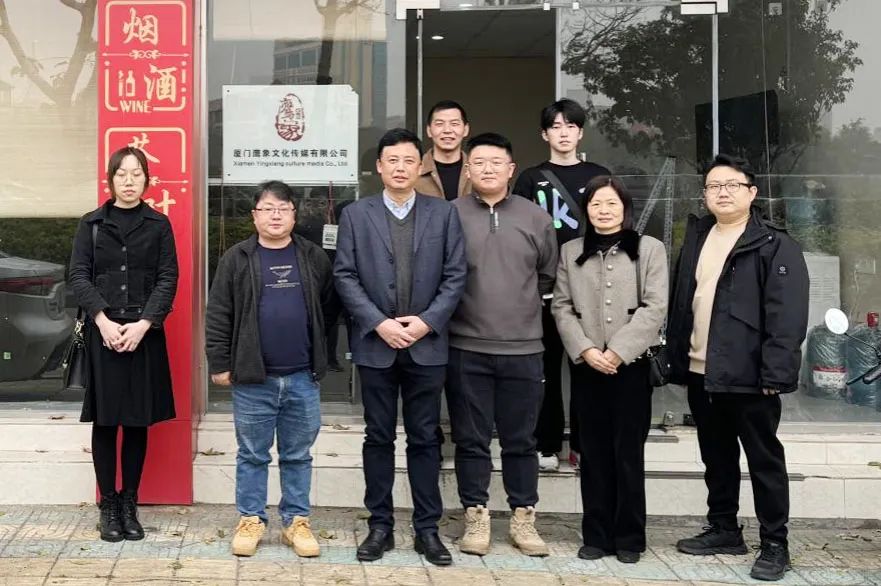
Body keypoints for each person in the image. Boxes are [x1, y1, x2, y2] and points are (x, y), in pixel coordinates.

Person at [667, 154, 809, 581]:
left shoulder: (773, 243)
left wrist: (776, 373)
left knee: (764, 460)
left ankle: (775, 543)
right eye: (714, 186)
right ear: (705, 195)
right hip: (702, 371)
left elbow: (787, 314)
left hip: (751, 376)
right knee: (716, 456)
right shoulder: (698, 236)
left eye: (732, 185)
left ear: (752, 192)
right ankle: (724, 528)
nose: (722, 192)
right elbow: (683, 301)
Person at [334, 128, 467, 566]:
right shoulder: (356, 214)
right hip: (377, 345)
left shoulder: (443, 214)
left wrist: (427, 322)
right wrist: (379, 323)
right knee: (378, 436)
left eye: (409, 160)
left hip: (427, 346)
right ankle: (380, 526)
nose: (400, 168)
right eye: (392, 160)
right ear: (379, 166)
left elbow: (456, 275)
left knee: (425, 437)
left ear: (419, 166)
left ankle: (427, 529)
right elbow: (345, 276)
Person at [205, 180, 338, 558]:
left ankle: (296, 521)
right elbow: (219, 313)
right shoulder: (237, 258)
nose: (275, 215)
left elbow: (329, 309)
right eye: (267, 208)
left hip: (302, 376)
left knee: (298, 455)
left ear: (294, 215)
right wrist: (220, 362)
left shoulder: (313, 257)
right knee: (252, 454)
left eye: (283, 208)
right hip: (253, 378)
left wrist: (322, 355)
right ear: (254, 216)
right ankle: (251, 519)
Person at [446, 133, 557, 557]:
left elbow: (546, 276)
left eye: (496, 162)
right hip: (465, 346)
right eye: (479, 162)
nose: (487, 169)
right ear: (467, 169)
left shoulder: (535, 218)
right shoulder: (450, 214)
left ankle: (523, 517)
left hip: (524, 349)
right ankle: (475, 516)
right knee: (470, 439)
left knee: (521, 440)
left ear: (511, 169)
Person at [551, 175, 667, 564]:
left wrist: (618, 351)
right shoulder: (571, 251)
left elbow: (655, 306)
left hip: (630, 366)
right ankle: (596, 535)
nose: (604, 211)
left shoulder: (649, 249)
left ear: (625, 208)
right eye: (596, 204)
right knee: (593, 452)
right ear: (587, 210)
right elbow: (561, 306)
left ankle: (630, 538)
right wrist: (585, 349)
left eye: (612, 203)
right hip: (587, 366)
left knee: (627, 453)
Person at [68, 146, 178, 543]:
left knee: (135, 420)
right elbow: (78, 275)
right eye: (121, 174)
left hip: (143, 335)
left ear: (147, 179)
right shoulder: (92, 224)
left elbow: (168, 278)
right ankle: (108, 505)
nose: (129, 181)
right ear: (111, 179)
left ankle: (129, 502)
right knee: (105, 420)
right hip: (104, 333)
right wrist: (102, 320)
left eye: (136, 174)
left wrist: (143, 324)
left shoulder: (158, 224)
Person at [513, 99, 610, 471]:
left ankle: (584, 446)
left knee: (588, 369)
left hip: (591, 289)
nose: (564, 133)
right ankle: (546, 444)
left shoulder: (599, 175)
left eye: (571, 126)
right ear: (544, 134)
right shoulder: (529, 178)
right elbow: (518, 234)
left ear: (580, 132)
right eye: (556, 126)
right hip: (546, 289)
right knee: (546, 370)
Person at [415, 100, 472, 200]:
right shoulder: (414, 170)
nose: (447, 130)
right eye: (439, 124)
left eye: (454, 124)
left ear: (465, 130)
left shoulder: (477, 169)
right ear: (429, 130)